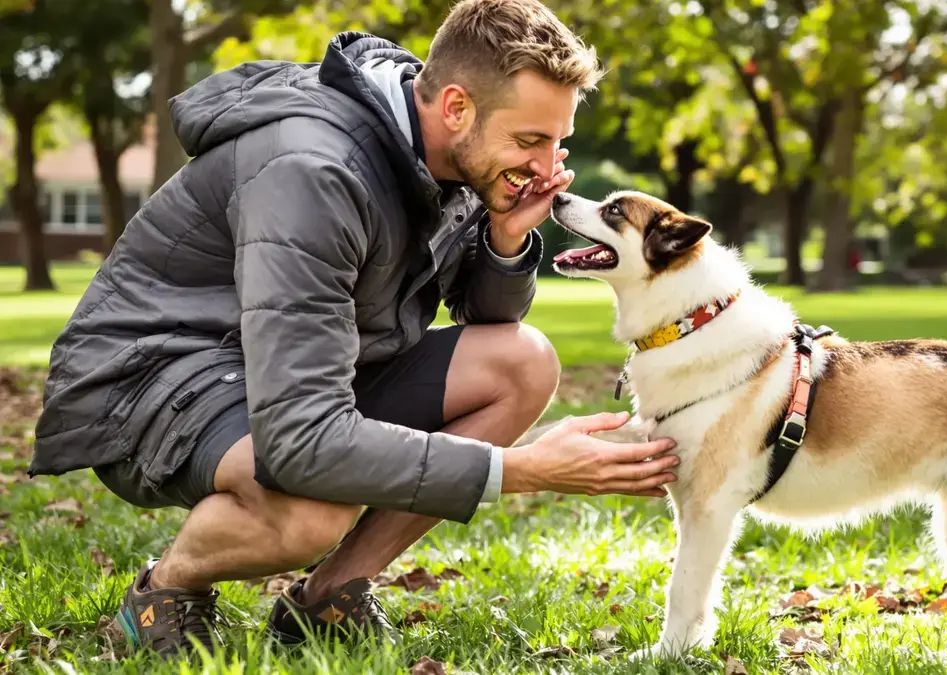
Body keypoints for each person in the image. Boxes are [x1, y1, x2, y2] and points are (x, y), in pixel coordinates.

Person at [27, 0, 679, 656]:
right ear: (456, 106)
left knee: (521, 362)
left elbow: (486, 321)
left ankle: (327, 598)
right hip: (155, 373)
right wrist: (523, 469)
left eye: (557, 141)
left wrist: (507, 241)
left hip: (283, 368)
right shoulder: (314, 170)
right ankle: (164, 590)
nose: (547, 166)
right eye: (531, 140)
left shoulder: (443, 153)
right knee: (314, 502)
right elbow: (302, 442)